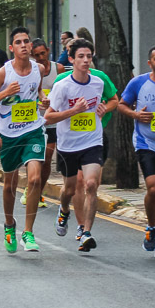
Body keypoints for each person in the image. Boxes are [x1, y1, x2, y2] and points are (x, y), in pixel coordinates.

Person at [44, 39, 118, 252]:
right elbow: (48, 118)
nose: (86, 61)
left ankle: (86, 231)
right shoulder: (62, 85)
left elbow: (114, 100)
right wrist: (73, 111)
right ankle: (64, 209)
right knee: (68, 189)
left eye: (89, 56)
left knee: (91, 184)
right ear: (71, 59)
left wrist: (106, 108)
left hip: (93, 141)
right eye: (81, 57)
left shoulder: (98, 82)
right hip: (68, 145)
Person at [117, 44, 155, 259]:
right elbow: (121, 104)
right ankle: (150, 227)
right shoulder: (139, 83)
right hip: (147, 143)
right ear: (150, 63)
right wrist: (136, 115)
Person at [0, 27, 46, 253]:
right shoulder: (3, 73)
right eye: (19, 42)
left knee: (34, 179)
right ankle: (9, 225)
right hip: (9, 133)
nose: (24, 45)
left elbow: (39, 91)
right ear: (11, 48)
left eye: (26, 41)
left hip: (32, 129)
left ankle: (28, 232)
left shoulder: (39, 69)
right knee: (9, 185)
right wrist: (5, 93)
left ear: (31, 46)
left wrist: (44, 101)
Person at [28, 39, 62, 208]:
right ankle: (32, 189)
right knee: (36, 158)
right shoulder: (33, 71)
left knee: (48, 158)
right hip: (35, 121)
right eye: (37, 55)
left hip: (53, 121)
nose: (40, 57)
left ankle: (38, 192)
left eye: (43, 53)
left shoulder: (58, 69)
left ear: (48, 51)